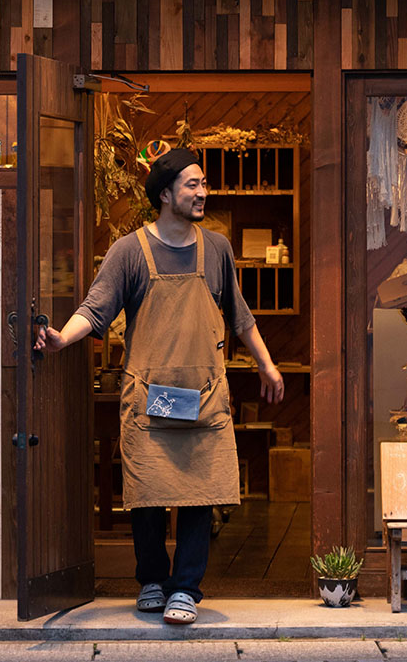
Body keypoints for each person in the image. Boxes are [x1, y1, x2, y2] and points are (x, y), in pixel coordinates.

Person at [34, 148, 284, 624]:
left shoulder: (217, 249)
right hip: (150, 395)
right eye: (192, 184)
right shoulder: (130, 251)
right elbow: (95, 308)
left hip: (204, 395)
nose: (202, 192)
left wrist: (267, 366)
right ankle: (151, 578)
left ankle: (185, 587)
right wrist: (61, 339)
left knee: (200, 491)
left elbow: (240, 315)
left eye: (204, 183)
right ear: (165, 194)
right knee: (146, 490)